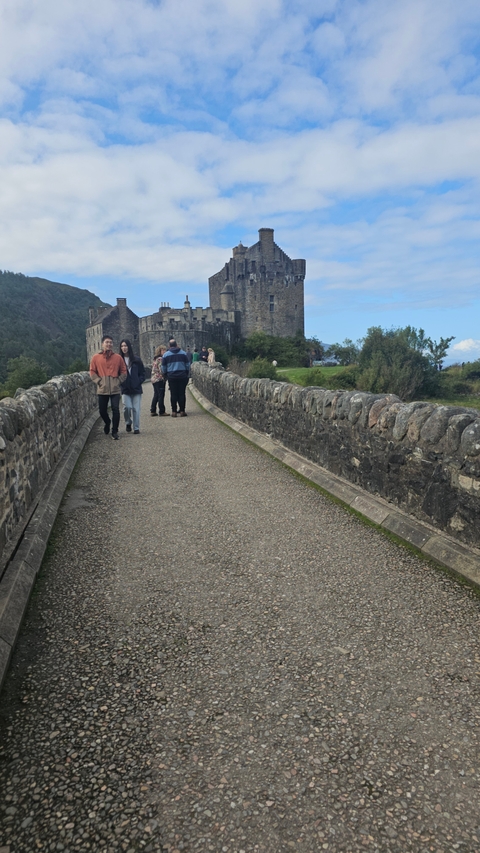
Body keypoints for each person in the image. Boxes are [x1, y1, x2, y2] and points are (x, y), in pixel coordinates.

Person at [89, 335, 127, 440]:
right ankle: (107, 422)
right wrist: (99, 381)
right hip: (102, 388)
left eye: (110, 342)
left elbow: (124, 371)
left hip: (115, 389)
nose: (109, 344)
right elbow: (92, 371)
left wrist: (118, 381)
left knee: (116, 409)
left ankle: (115, 431)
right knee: (102, 410)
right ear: (102, 344)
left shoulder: (118, 358)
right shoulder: (96, 357)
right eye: (107, 342)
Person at [119, 339, 145, 434]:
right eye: (122, 346)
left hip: (136, 388)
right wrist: (121, 382)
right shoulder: (119, 360)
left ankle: (136, 428)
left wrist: (139, 381)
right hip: (125, 389)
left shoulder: (136, 360)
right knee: (127, 407)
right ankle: (128, 422)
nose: (124, 348)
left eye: (125, 346)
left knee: (136, 409)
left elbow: (142, 373)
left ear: (129, 347)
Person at [162, 338, 190, 417]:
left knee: (173, 394)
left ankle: (174, 411)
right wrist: (186, 373)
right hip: (182, 376)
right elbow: (187, 365)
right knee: (182, 393)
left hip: (172, 376)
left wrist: (166, 374)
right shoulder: (183, 353)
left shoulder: (166, 355)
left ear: (169, 346)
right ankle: (182, 411)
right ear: (176, 345)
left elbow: (163, 367)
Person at [150, 345, 167, 416]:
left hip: (154, 379)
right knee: (161, 395)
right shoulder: (160, 359)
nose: (165, 352)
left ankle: (153, 410)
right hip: (159, 379)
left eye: (165, 350)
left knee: (156, 395)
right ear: (160, 351)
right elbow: (161, 370)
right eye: (163, 350)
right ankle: (162, 411)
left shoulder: (155, 358)